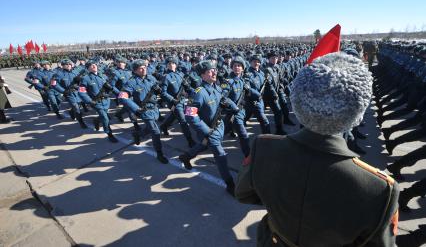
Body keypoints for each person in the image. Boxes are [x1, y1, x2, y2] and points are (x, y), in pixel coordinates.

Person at [235, 52, 400, 247]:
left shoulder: (264, 148)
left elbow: (244, 194)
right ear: (358, 114)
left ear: (297, 102)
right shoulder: (379, 188)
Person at [179, 60, 239, 195]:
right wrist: (207, 131)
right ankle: (230, 183)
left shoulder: (216, 87)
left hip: (218, 126)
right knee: (220, 155)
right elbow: (190, 115)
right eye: (209, 71)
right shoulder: (199, 93)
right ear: (202, 75)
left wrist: (233, 106)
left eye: (214, 70)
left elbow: (223, 99)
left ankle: (186, 157)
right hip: (208, 130)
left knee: (203, 145)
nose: (214, 72)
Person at [118, 59, 168, 164]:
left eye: (145, 67)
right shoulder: (131, 82)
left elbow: (158, 89)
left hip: (154, 109)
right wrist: (136, 109)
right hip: (144, 110)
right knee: (155, 131)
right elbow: (122, 97)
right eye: (141, 68)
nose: (144, 69)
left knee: (150, 128)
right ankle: (159, 153)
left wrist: (159, 91)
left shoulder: (151, 78)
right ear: (135, 70)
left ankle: (138, 134)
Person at [78, 61, 116, 142]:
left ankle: (96, 120)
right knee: (105, 118)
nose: (93, 66)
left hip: (106, 101)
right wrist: (90, 101)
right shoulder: (85, 79)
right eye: (91, 66)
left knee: (103, 116)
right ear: (88, 68)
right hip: (96, 102)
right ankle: (109, 134)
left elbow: (109, 87)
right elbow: (82, 92)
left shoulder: (103, 76)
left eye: (94, 65)